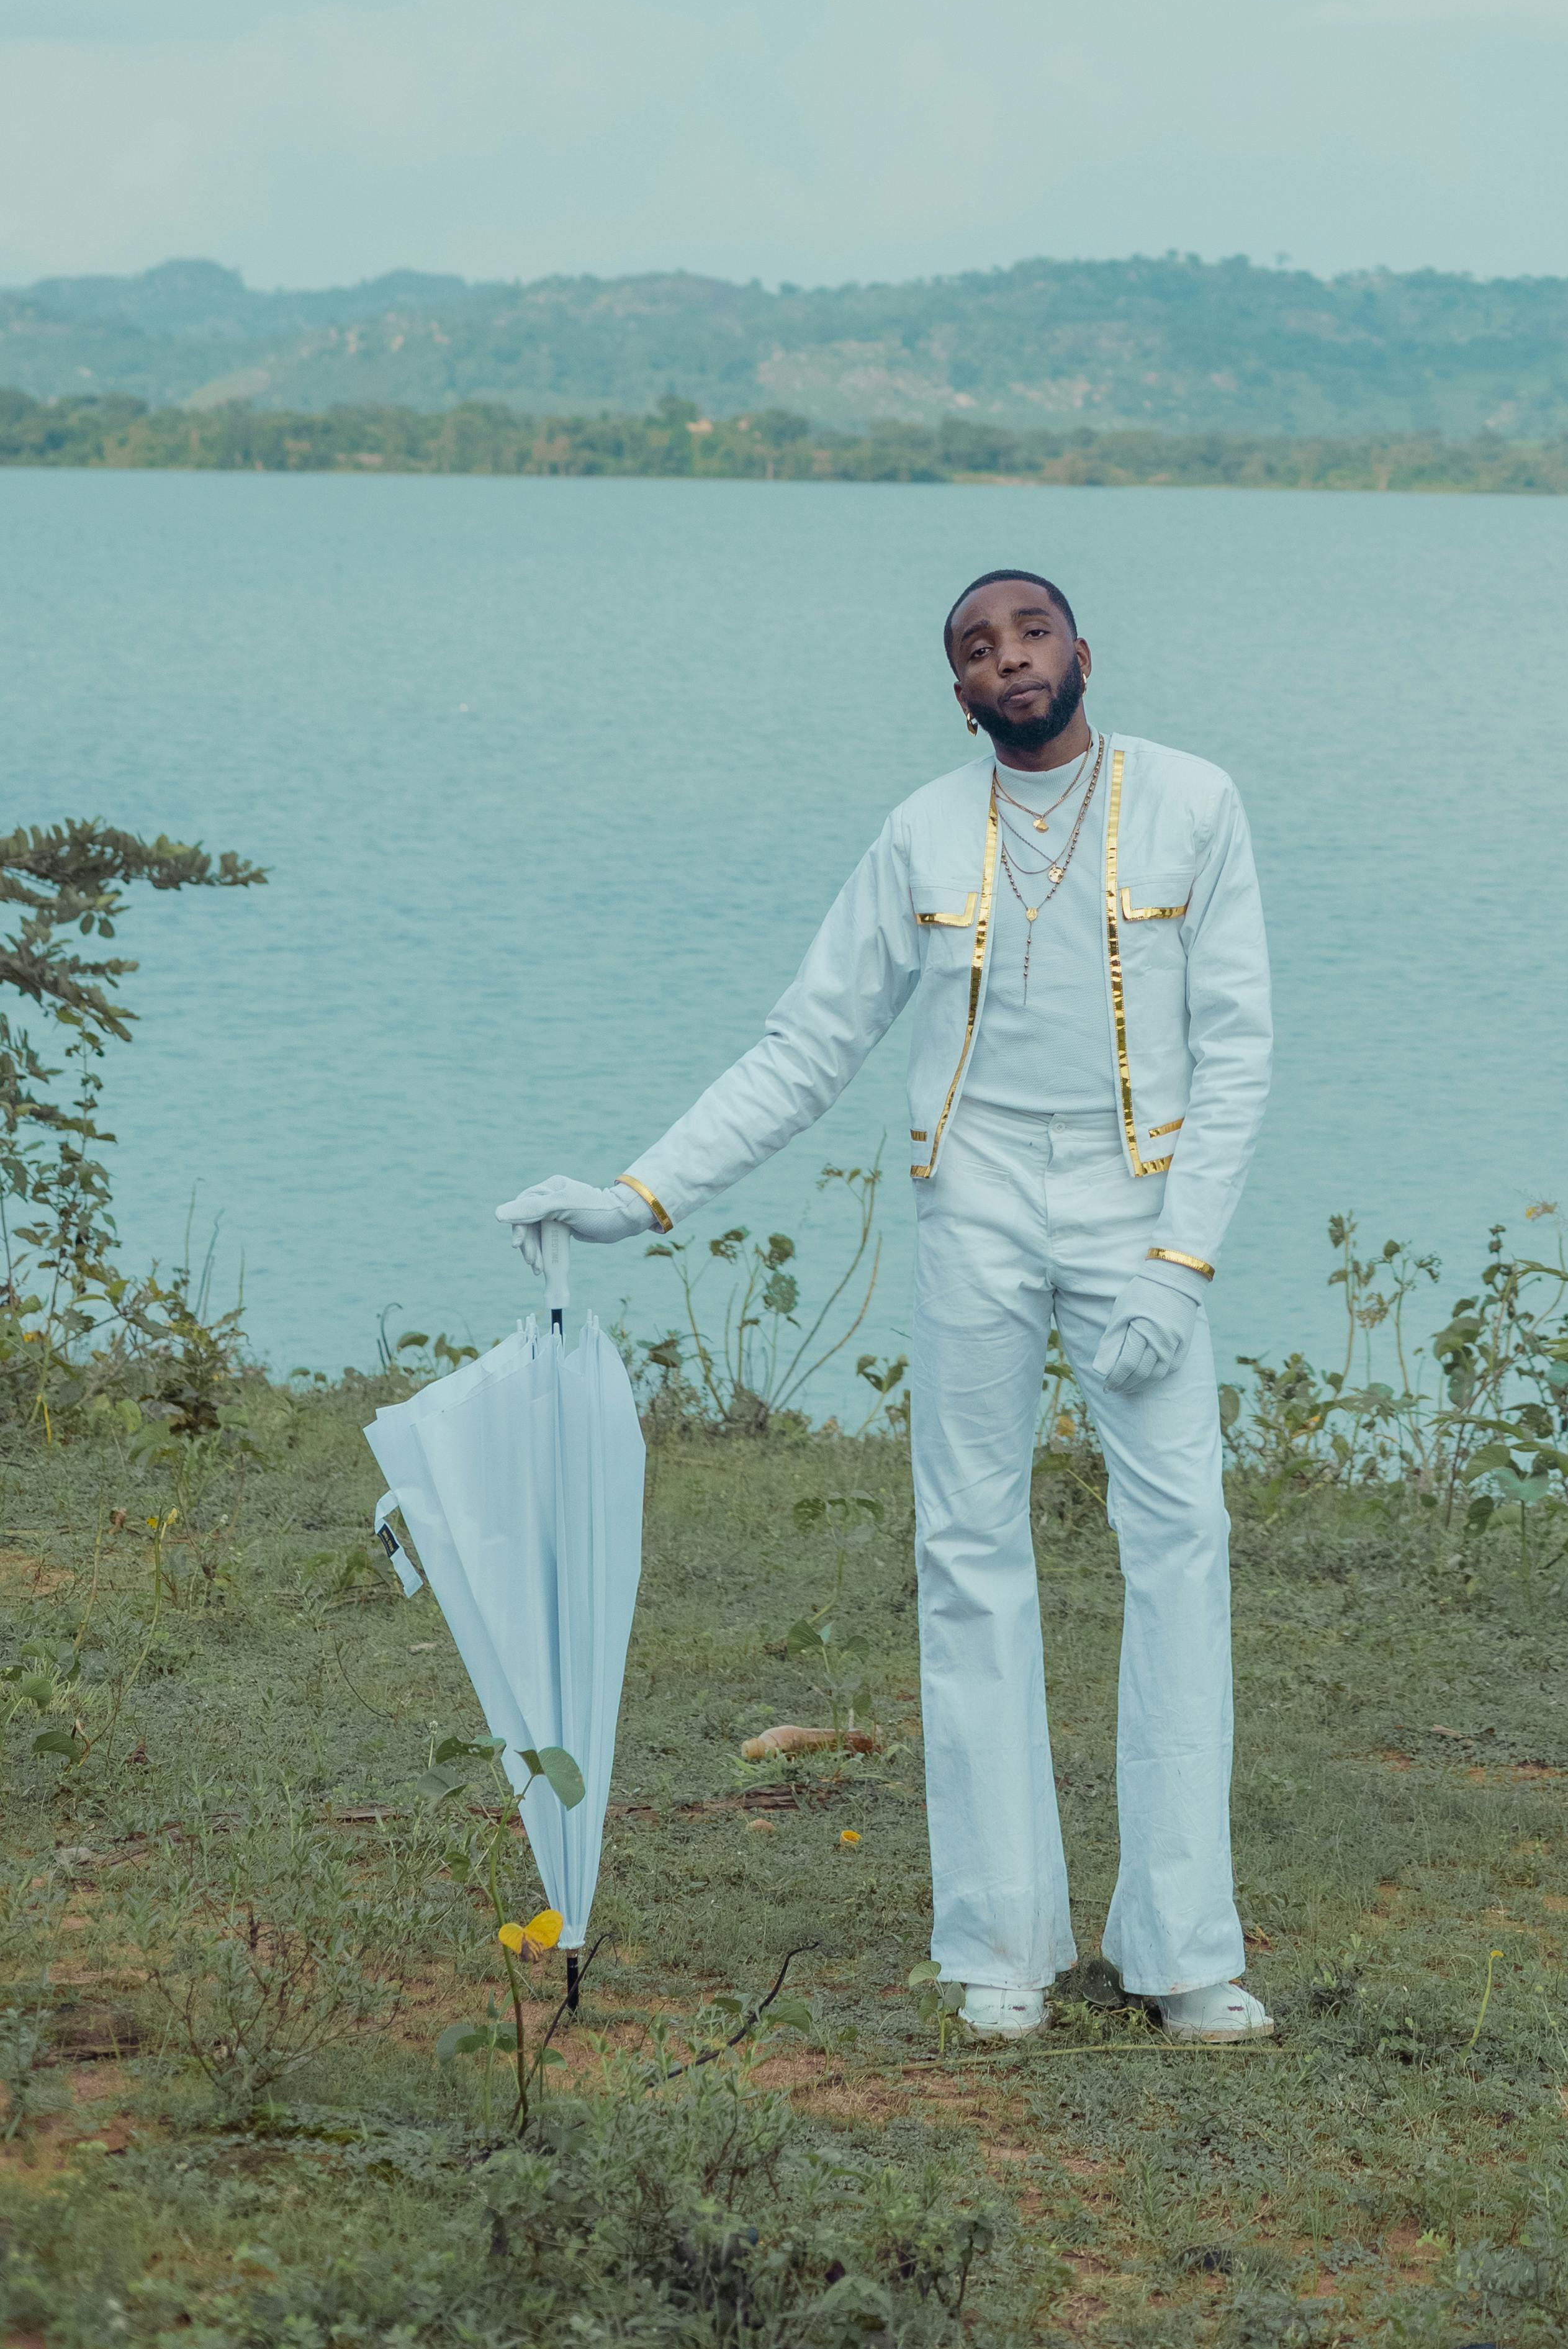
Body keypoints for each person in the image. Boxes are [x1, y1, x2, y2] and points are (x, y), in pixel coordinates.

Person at [497, 564, 1274, 2042]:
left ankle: (1183, 1946)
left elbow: (1238, 1048)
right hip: (970, 1199)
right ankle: (998, 1939)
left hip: (1137, 1197)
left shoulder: (1195, 802)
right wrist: (637, 1193)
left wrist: (1180, 1262)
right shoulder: (920, 832)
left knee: (1181, 1542)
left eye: (1030, 631)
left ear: (1082, 649)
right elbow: (805, 1046)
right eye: (977, 648)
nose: (1009, 658)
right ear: (960, 690)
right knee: (967, 1547)